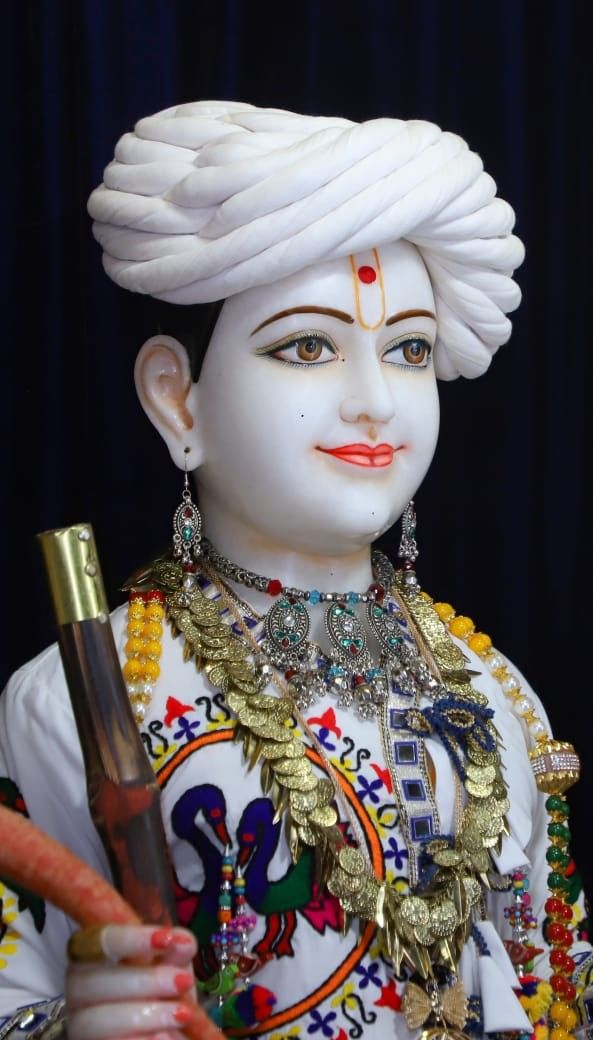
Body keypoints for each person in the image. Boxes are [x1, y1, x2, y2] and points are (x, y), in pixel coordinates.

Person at [0, 102, 590, 1040]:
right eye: (307, 347)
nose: (372, 402)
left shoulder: (498, 693)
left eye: (407, 350)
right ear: (175, 400)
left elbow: (554, 989)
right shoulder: (86, 695)